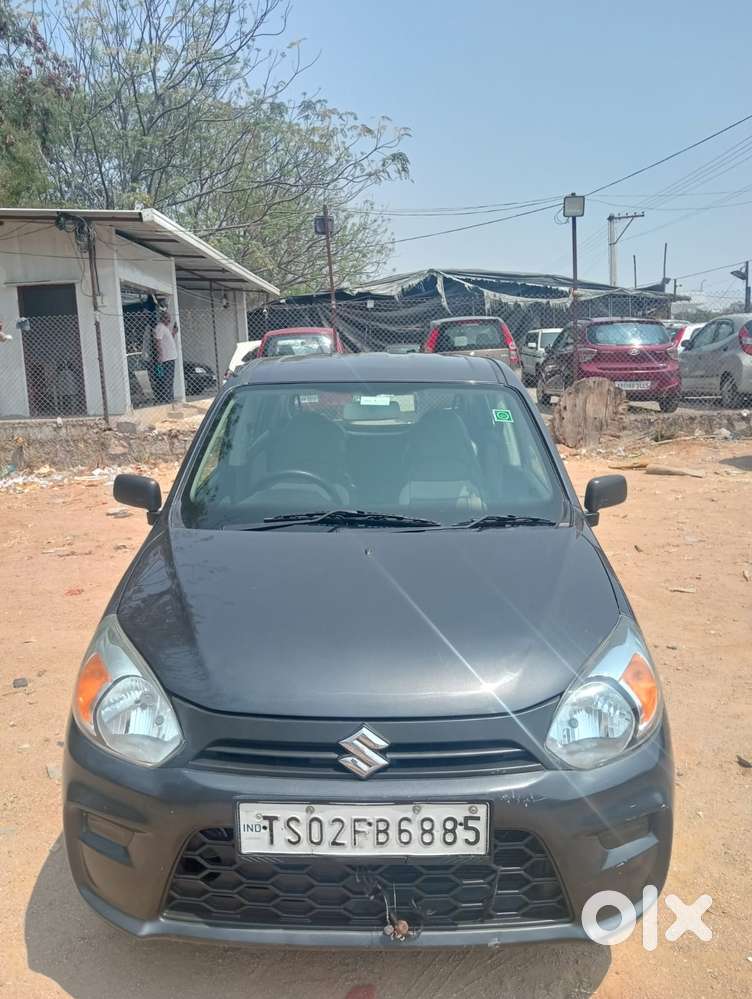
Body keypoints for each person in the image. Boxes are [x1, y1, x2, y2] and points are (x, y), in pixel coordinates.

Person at [152, 310, 178, 403]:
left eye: (169, 318)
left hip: (170, 357)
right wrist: (160, 355)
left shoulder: (165, 328)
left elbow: (167, 340)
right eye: (167, 318)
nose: (169, 320)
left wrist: (174, 333)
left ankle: (169, 397)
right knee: (166, 378)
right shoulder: (160, 327)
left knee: (170, 378)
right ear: (162, 318)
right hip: (165, 358)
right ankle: (166, 398)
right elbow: (157, 342)